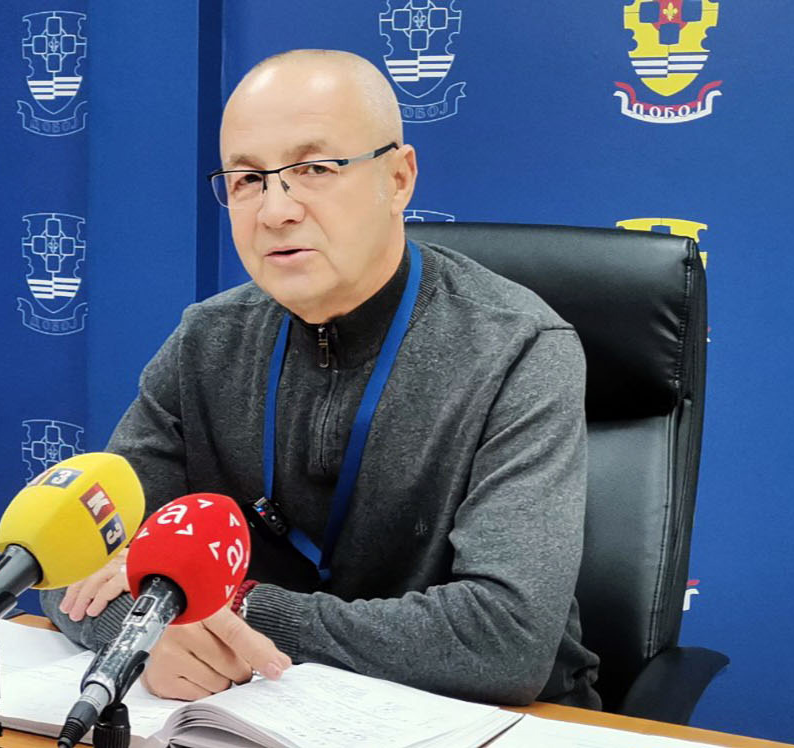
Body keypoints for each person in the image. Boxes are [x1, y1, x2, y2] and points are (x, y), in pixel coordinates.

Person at [41, 49, 600, 708]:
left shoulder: (518, 349)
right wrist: (141, 637)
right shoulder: (206, 342)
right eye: (248, 179)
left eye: (314, 169)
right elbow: (75, 562)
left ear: (398, 179)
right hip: (249, 715)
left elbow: (504, 641)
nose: (275, 210)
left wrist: (234, 610)